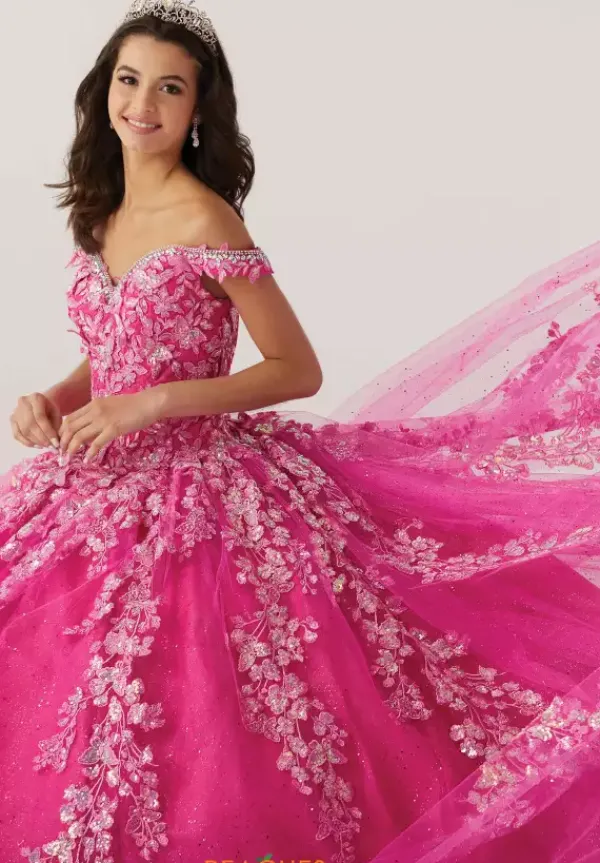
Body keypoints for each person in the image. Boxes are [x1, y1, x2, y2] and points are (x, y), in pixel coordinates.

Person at [4, 2, 600, 862]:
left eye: (169, 88)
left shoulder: (208, 220)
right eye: (129, 80)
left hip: (199, 485)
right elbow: (113, 351)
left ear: (198, 111)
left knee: (211, 693)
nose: (143, 103)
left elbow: (295, 367)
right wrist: (55, 397)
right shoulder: (102, 213)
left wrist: (153, 404)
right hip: (95, 484)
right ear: (103, 92)